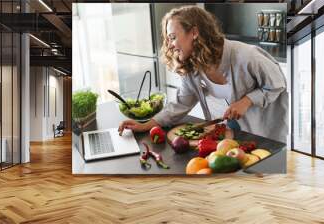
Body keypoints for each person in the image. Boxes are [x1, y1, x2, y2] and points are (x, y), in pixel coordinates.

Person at [118, 6, 288, 143]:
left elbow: (277, 83)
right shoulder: (192, 66)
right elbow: (180, 104)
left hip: (266, 138)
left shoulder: (247, 56)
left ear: (194, 32)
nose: (169, 45)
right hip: (233, 136)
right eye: (168, 39)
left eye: (172, 37)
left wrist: (247, 101)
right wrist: (146, 125)